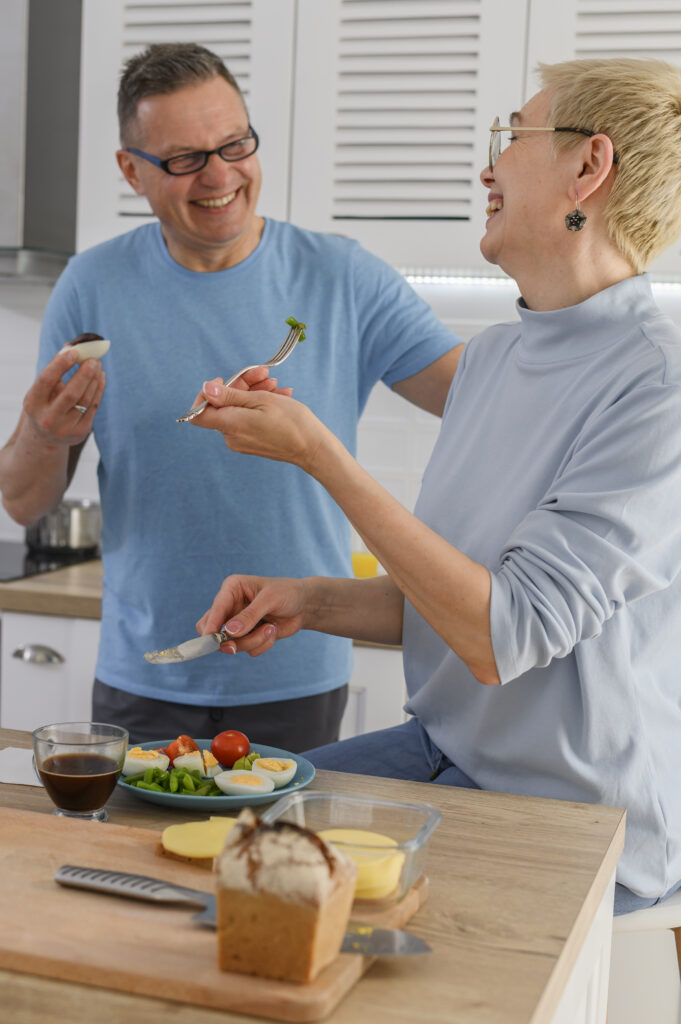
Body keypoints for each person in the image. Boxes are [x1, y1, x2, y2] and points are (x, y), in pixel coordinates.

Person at [191, 57, 681, 914]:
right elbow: (452, 596)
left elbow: (503, 635)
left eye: (512, 136)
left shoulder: (656, 384)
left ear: (588, 166)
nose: (486, 168)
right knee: (212, 852)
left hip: (578, 815)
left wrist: (321, 455)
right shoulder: (493, 358)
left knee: (276, 904)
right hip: (441, 754)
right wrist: (309, 600)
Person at [0, 43, 461, 750]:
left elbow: (479, 399)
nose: (219, 175)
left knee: (273, 861)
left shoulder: (345, 278)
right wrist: (41, 431)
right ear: (132, 170)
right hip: (143, 676)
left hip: (298, 667)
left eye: (234, 144)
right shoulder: (91, 287)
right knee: (133, 861)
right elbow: (24, 503)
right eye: (184, 158)